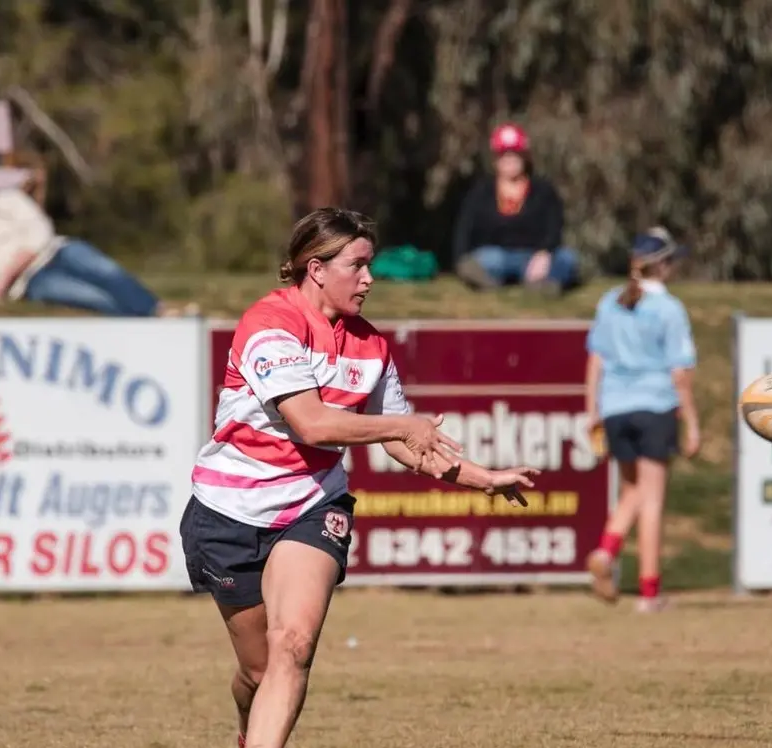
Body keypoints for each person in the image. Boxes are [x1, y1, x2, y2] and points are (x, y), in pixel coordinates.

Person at [182, 207, 540, 748]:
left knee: (294, 646)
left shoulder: (370, 346)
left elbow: (406, 445)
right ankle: (246, 729)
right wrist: (402, 425)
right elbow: (312, 423)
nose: (370, 278)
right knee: (258, 671)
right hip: (227, 512)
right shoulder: (271, 324)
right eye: (358, 265)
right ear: (316, 268)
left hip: (311, 507)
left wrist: (483, 479)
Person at [583, 226, 701, 613]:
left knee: (632, 492)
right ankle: (649, 593)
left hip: (615, 408)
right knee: (652, 501)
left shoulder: (609, 302)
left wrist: (592, 410)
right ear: (663, 266)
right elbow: (680, 372)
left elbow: (596, 360)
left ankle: (606, 551)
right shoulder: (670, 309)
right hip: (655, 406)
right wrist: (692, 422)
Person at [0, 155, 187, 317]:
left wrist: (6, 274)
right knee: (94, 297)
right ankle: (146, 328)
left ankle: (159, 311)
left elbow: (40, 233)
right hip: (28, 282)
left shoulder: (6, 199)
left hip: (54, 251)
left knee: (107, 271)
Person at [452, 123, 581, 295]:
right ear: (495, 159)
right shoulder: (481, 192)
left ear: (524, 157)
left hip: (535, 256)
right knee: (483, 259)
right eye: (504, 155)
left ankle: (544, 286)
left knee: (567, 258)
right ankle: (489, 284)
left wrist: (544, 253)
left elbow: (555, 226)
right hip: (498, 257)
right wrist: (461, 259)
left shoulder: (543, 190)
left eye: (515, 154)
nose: (509, 160)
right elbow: (465, 227)